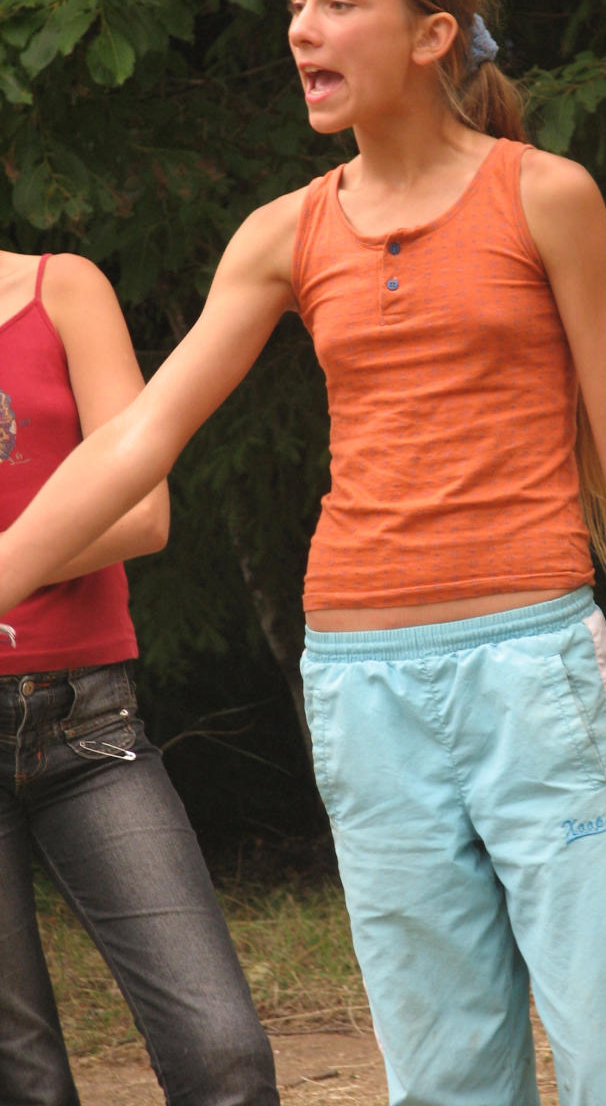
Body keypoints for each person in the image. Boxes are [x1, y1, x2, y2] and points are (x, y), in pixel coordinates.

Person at [0, 0, 606, 1102]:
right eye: (296, 4)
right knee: (442, 1074)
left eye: (338, 4)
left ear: (434, 35)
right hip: (358, 685)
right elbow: (137, 439)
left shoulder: (547, 197)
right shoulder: (284, 233)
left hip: (535, 666)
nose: (302, 29)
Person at [0, 250, 280, 1105]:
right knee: (23, 1080)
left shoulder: (60, 289)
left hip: (85, 724)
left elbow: (143, 509)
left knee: (224, 1058)